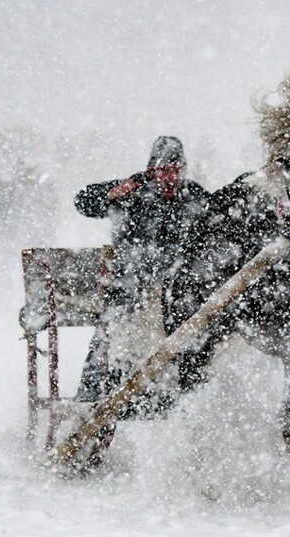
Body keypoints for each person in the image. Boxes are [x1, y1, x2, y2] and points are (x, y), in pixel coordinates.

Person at [74, 136, 209, 402]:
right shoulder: (132, 191)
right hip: (131, 288)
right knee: (111, 331)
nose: (170, 178)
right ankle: (92, 396)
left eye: (176, 170)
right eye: (164, 171)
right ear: (151, 170)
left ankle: (185, 391)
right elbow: (83, 201)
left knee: (197, 331)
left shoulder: (194, 198)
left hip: (177, 292)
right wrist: (109, 194)